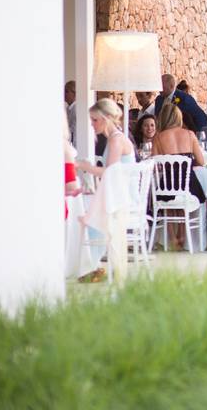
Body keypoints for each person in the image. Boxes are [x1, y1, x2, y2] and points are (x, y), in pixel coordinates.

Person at [75, 99, 136, 282]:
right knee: (90, 214)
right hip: (117, 193)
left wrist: (84, 166)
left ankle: (91, 267)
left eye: (95, 120)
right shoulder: (113, 139)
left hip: (123, 197)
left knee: (90, 218)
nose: (92, 125)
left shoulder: (117, 140)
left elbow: (110, 172)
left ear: (107, 118)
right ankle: (91, 266)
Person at [151, 103, 207, 248]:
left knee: (169, 199)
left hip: (168, 184)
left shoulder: (158, 138)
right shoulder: (189, 135)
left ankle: (172, 238)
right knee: (182, 196)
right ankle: (182, 235)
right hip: (188, 184)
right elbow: (201, 161)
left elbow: (155, 164)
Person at [64, 81, 77, 146]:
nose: (64, 94)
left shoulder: (76, 109)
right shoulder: (68, 108)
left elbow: (73, 130)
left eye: (66, 91)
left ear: (74, 93)